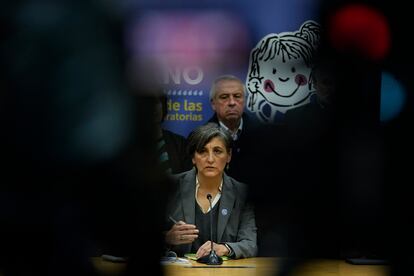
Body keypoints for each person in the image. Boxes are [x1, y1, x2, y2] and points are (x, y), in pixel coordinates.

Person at [164, 123, 257, 259]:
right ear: (193, 158)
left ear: (229, 156)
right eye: (202, 151)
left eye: (217, 151)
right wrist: (167, 238)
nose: (210, 159)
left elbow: (250, 244)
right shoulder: (170, 187)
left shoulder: (241, 193)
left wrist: (225, 248)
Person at [207, 75, 258, 183]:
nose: (232, 102)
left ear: (245, 100)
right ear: (213, 104)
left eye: (237, 96)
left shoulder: (264, 134)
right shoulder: (201, 138)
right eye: (224, 97)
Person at [155, 93, 192, 174]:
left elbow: (187, 181)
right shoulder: (131, 148)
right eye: (148, 104)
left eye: (156, 102)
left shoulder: (180, 143)